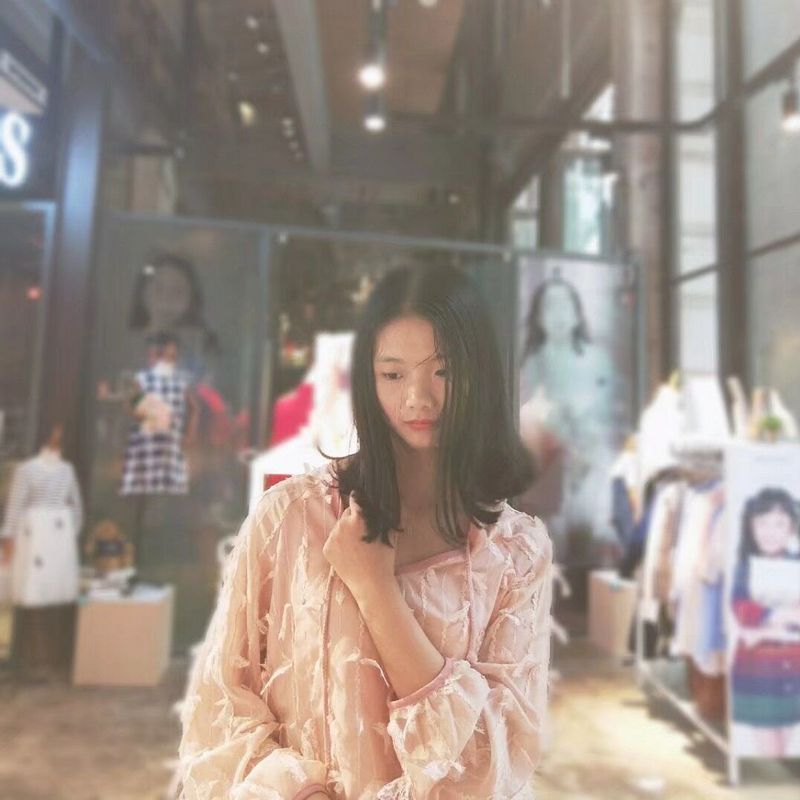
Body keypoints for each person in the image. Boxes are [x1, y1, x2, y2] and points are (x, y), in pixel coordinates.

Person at [178, 264, 553, 799]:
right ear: (367, 379)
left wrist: (376, 589)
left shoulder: (515, 551)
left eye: (443, 372)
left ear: (481, 376)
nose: (418, 399)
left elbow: (494, 764)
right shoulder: (289, 517)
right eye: (393, 375)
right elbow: (220, 706)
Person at [518, 276, 616, 556]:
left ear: (576, 313)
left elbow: (607, 417)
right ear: (539, 317)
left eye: (565, 305)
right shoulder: (532, 364)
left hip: (592, 466)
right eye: (550, 306)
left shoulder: (598, 360)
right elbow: (529, 418)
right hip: (550, 472)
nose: (559, 314)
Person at [731, 487, 800, 758]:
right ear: (751, 527)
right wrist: (775, 615)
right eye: (762, 523)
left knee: (785, 740)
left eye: (779, 524)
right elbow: (739, 605)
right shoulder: (745, 566)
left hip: (793, 663)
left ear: (791, 528)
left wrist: (769, 623)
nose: (770, 532)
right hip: (758, 666)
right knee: (770, 750)